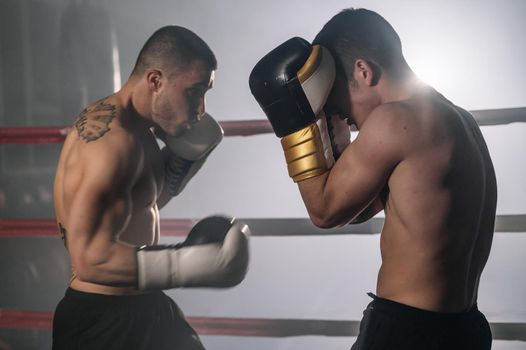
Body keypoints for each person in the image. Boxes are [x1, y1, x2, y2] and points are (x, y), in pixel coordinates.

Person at [249, 8, 496, 350]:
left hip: (409, 334)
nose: (347, 120)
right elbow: (357, 209)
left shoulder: (395, 119)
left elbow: (325, 212)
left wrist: (297, 123)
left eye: (341, 105)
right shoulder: (459, 121)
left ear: (363, 71)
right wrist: (335, 147)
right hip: (467, 331)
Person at [52, 26, 250, 350]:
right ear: (155, 81)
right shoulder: (110, 145)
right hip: (102, 322)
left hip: (147, 305)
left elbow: (140, 204)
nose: (201, 109)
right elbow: (90, 259)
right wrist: (187, 264)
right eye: (193, 91)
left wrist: (180, 163)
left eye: (205, 93)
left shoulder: (140, 128)